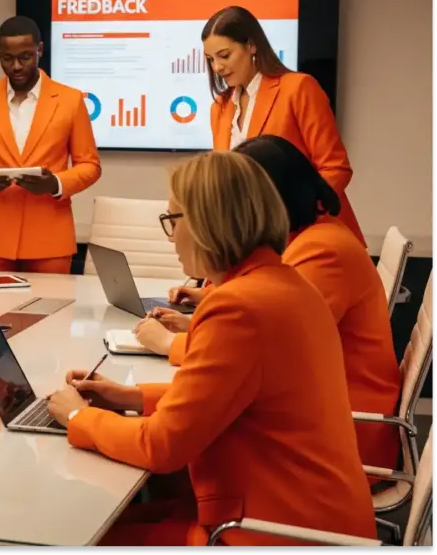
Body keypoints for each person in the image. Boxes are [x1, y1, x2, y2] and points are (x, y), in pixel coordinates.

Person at [46, 151, 376, 547]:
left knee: (74, 531)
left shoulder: (237, 307)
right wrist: (130, 396)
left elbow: (162, 447)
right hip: (314, 517)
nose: (170, 237)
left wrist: (79, 417)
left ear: (207, 222)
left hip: (273, 530)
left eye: (172, 220)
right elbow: (235, 395)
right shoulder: (289, 286)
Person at [137, 135, 400, 472]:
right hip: (310, 423)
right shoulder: (313, 238)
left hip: (342, 439)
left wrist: (168, 343)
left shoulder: (323, 250)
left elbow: (260, 341)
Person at [202, 5, 364, 245]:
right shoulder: (220, 108)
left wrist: (290, 218)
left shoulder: (298, 89)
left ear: (251, 45)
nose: (217, 67)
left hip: (312, 237)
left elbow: (335, 169)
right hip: (253, 243)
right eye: (210, 60)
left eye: (224, 56)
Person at [0, 16, 100, 274]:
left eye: (25, 57)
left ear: (39, 50)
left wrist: (55, 183)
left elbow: (90, 165)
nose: (16, 66)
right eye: (7, 59)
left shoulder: (70, 100)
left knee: (52, 313)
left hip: (50, 238)